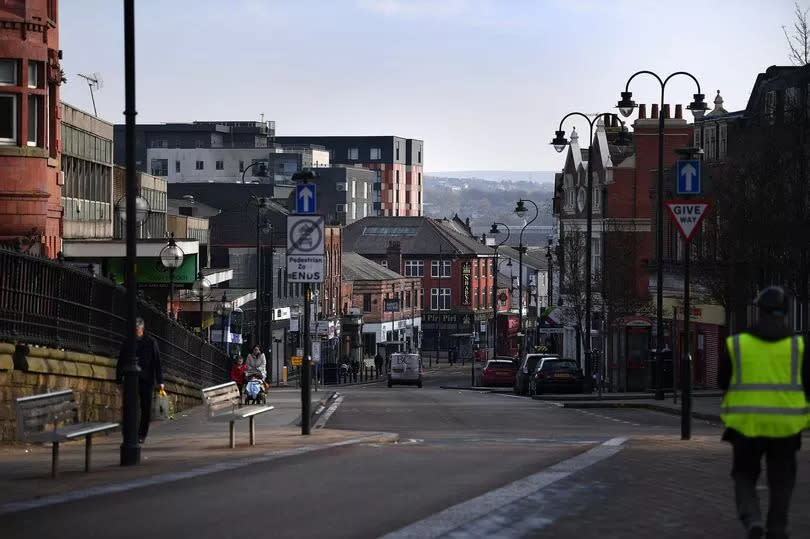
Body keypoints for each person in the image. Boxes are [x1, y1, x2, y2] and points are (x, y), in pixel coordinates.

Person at [719, 286, 810, 539]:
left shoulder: (737, 344)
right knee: (782, 480)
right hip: (786, 425)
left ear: (759, 312)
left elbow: (722, 381)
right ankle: (778, 527)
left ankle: (753, 519)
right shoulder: (799, 346)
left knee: (744, 474)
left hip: (746, 423)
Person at [117, 317, 163, 444]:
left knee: (145, 407)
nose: (136, 331)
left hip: (146, 379)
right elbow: (121, 361)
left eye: (137, 329)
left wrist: (160, 381)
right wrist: (119, 379)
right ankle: (129, 430)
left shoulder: (151, 342)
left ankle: (142, 433)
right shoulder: (128, 342)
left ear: (142, 328)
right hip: (131, 379)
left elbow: (157, 362)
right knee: (130, 406)